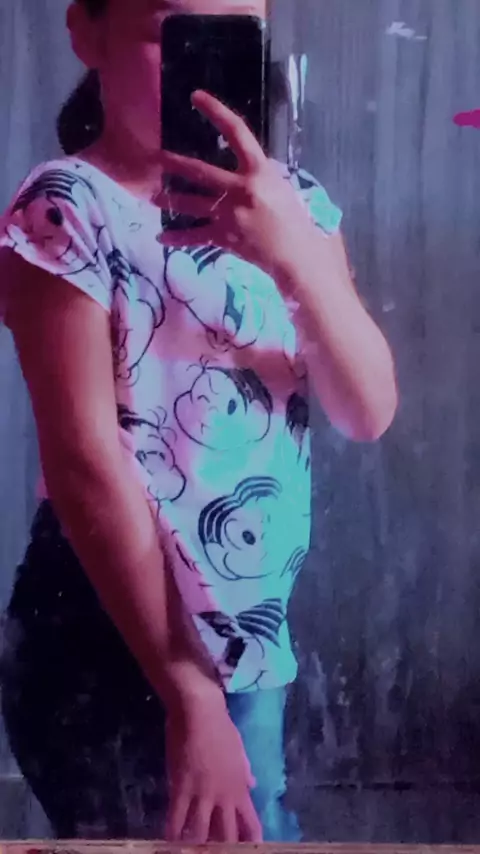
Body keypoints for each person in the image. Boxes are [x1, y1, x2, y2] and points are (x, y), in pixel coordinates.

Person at [0, 0, 398, 842]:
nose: (204, 73)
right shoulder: (69, 206)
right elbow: (84, 466)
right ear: (87, 31)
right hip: (108, 626)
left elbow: (366, 409)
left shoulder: (297, 208)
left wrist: (294, 257)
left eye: (235, 35)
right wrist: (189, 691)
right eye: (173, 34)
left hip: (248, 637)